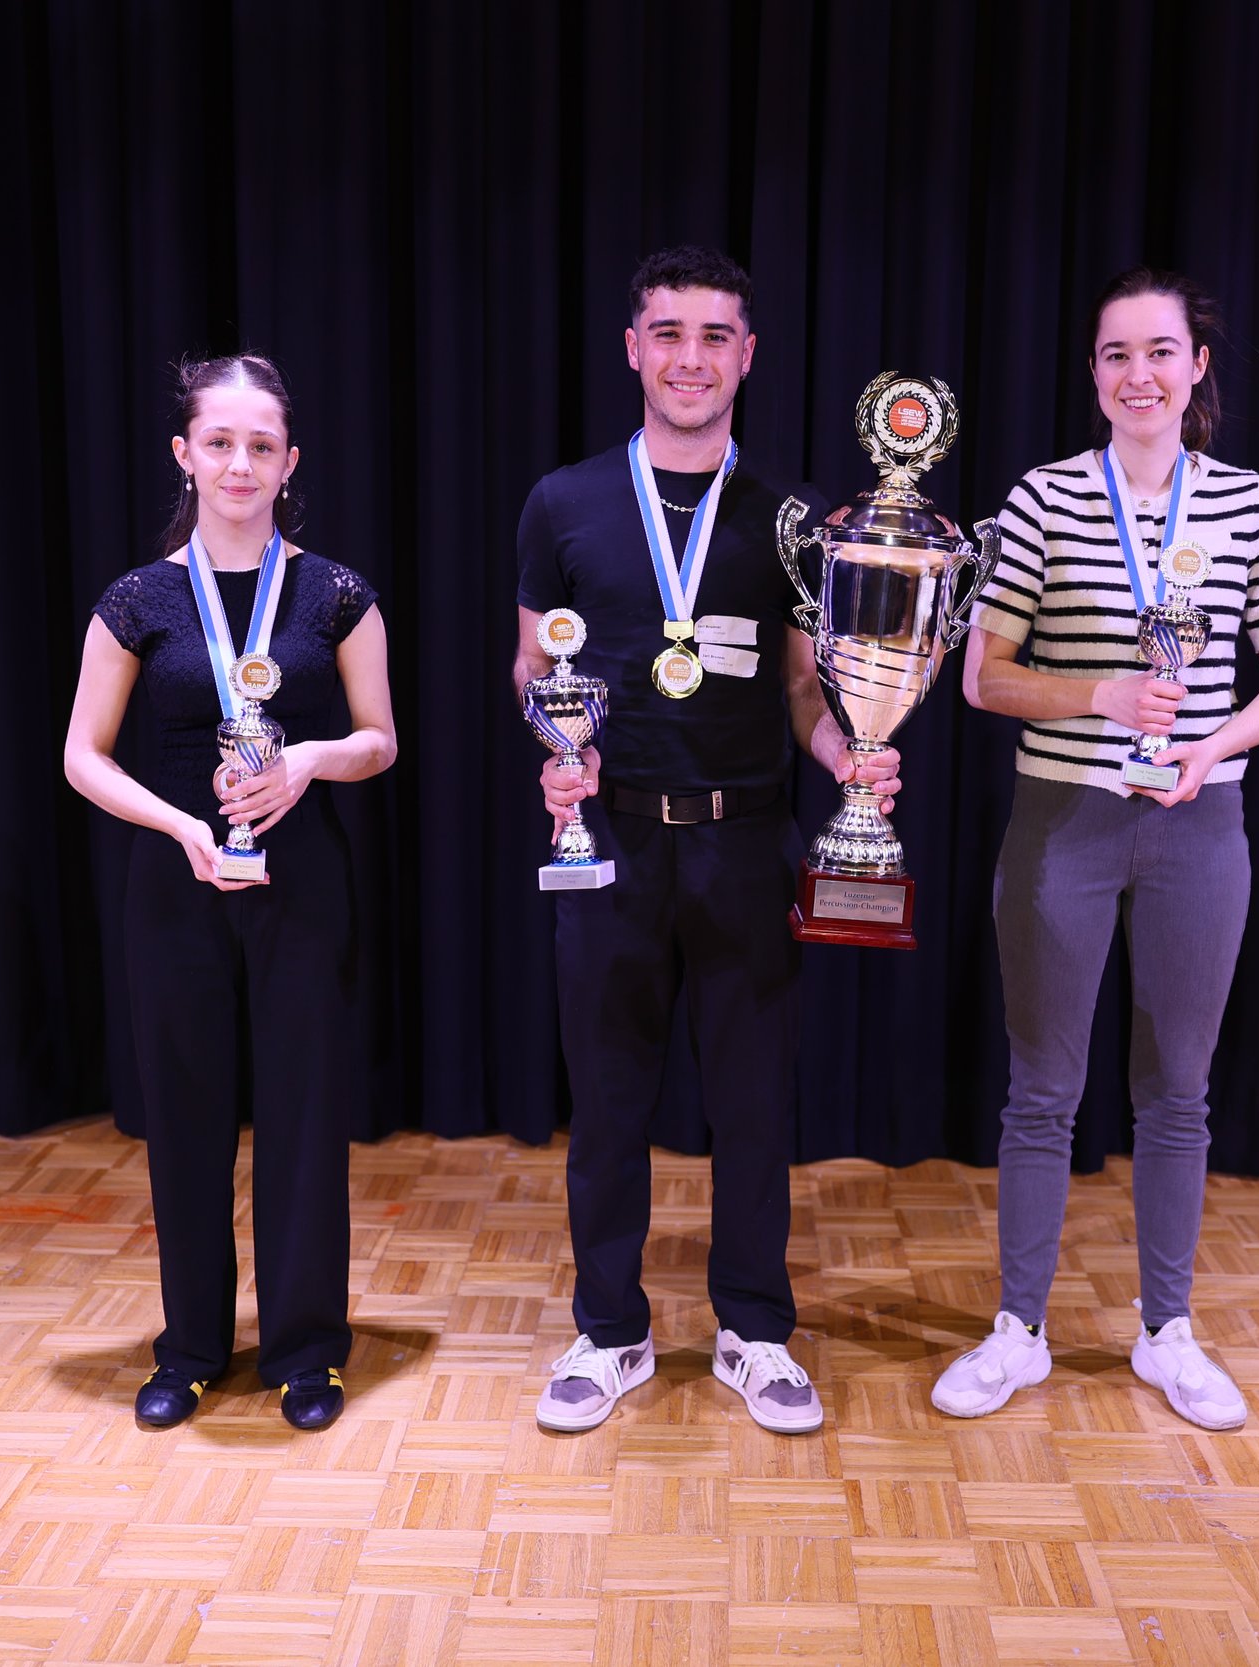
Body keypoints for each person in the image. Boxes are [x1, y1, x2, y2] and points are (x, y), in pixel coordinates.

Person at [511, 246, 900, 1435]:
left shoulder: (794, 517)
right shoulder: (562, 501)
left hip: (744, 839)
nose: (691, 357)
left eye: (715, 335)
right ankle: (609, 1329)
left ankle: (754, 1328)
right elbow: (532, 666)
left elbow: (802, 687)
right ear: (634, 347)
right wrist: (557, 740)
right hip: (611, 843)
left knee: (752, 1105)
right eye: (669, 333)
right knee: (608, 1101)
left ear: (748, 354)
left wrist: (850, 755)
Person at [938, 268, 1259, 1430]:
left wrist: (1210, 745)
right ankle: (1018, 1328)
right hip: (1065, 819)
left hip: (1199, 822)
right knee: (1042, 1089)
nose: (1136, 374)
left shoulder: (1250, 504)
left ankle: (1167, 1330)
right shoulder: (1045, 497)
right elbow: (984, 676)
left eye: (1158, 352)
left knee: (1177, 1092)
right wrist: (1100, 692)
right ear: (1093, 371)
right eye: (1115, 354)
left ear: (1196, 365)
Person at [64, 355, 396, 1433]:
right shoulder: (137, 598)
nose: (240, 463)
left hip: (304, 883)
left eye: (262, 445)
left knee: (305, 1116)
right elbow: (82, 754)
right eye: (220, 442)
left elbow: (380, 739)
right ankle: (192, 1347)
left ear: (290, 461)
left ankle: (307, 1350)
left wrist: (307, 761)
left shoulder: (337, 593)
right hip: (176, 884)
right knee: (185, 1116)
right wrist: (178, 827)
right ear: (185, 454)